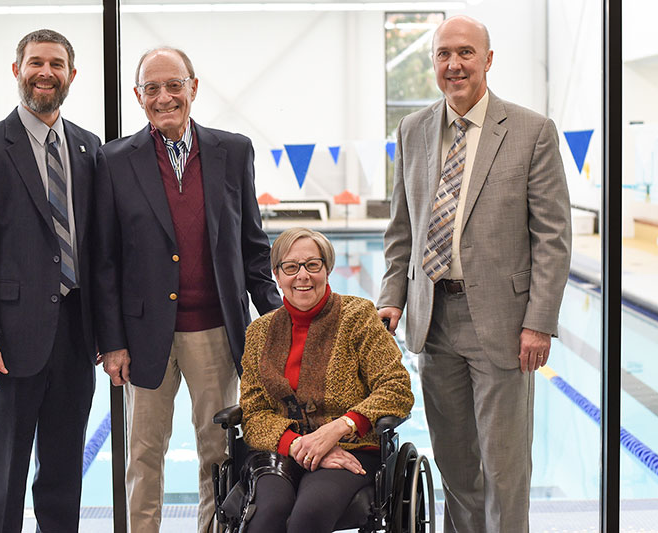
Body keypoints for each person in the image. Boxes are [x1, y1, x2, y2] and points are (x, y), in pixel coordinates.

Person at [377, 15, 572, 533]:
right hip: (433, 318)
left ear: (488, 59)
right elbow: (403, 227)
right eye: (443, 54)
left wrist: (539, 322)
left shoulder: (532, 131)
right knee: (456, 465)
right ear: (433, 64)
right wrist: (391, 296)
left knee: (504, 468)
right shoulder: (413, 129)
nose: (454, 64)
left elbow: (552, 238)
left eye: (465, 53)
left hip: (504, 323)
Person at [92, 47, 282, 532]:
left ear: (193, 87)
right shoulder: (114, 160)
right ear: (137, 96)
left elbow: (251, 243)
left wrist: (279, 318)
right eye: (151, 88)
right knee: (143, 456)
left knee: (216, 454)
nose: (164, 97)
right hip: (141, 337)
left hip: (215, 330)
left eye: (174, 85)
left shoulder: (232, 151)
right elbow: (105, 261)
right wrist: (111, 342)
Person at [0, 29, 100, 532]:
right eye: (36, 62)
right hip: (9, 343)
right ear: (17, 70)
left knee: (62, 474)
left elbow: (96, 245)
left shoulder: (87, 147)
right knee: (2, 475)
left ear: (71, 76)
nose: (46, 72)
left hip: (76, 338)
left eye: (57, 64)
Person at [238, 227, 414, 533]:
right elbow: (253, 414)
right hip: (284, 450)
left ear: (327, 269)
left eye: (312, 265)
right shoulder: (260, 333)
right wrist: (300, 445)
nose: (302, 276)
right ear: (277, 276)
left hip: (351, 448)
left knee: (310, 515)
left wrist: (338, 428)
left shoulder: (358, 317)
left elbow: (396, 387)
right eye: (291, 267)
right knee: (266, 515)